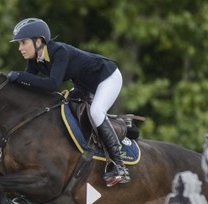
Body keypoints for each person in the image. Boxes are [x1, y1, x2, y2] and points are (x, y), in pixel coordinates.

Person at [7, 18, 130, 187]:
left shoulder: (59, 51)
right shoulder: (34, 59)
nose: (20, 48)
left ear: (39, 41)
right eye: (19, 44)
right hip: (83, 85)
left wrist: (19, 77)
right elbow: (31, 88)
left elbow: (52, 85)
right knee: (63, 108)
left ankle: (119, 166)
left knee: (96, 112)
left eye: (23, 42)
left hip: (106, 77)